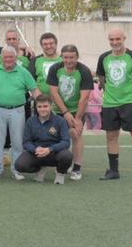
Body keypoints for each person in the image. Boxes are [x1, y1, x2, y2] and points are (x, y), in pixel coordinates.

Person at [0, 46, 40, 180]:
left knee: (17, 142)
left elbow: (35, 90)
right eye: (6, 57)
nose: (8, 59)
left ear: (16, 58)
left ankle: (17, 170)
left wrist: (44, 104)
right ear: (2, 58)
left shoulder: (23, 72)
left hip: (18, 110)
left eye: (11, 57)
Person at [96, 28, 132, 184]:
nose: (115, 42)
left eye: (118, 39)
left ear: (124, 38)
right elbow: (101, 77)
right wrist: (108, 92)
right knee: (111, 137)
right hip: (109, 104)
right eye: (111, 39)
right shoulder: (103, 58)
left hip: (130, 103)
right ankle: (114, 171)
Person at [47, 44, 93, 180]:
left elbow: (84, 98)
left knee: (75, 133)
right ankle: (62, 164)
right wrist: (65, 112)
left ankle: (77, 167)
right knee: (56, 137)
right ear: (62, 57)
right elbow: (54, 93)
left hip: (77, 109)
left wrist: (77, 118)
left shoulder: (84, 71)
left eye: (72, 57)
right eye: (66, 57)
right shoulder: (55, 68)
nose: (69, 60)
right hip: (59, 109)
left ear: (77, 57)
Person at [14, 94, 73, 185]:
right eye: (39, 107)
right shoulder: (30, 121)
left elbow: (66, 142)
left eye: (45, 106)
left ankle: (60, 173)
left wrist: (50, 149)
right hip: (37, 153)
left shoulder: (60, 121)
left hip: (54, 153)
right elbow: (26, 142)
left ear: (51, 106)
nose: (42, 109)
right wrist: (35, 149)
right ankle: (39, 168)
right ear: (36, 107)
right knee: (19, 165)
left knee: (67, 155)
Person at [29, 32, 63, 100]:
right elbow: (30, 82)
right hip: (41, 104)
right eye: (45, 44)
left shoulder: (65, 60)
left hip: (62, 102)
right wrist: (41, 99)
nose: (48, 46)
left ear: (56, 44)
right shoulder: (35, 61)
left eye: (51, 43)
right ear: (41, 46)